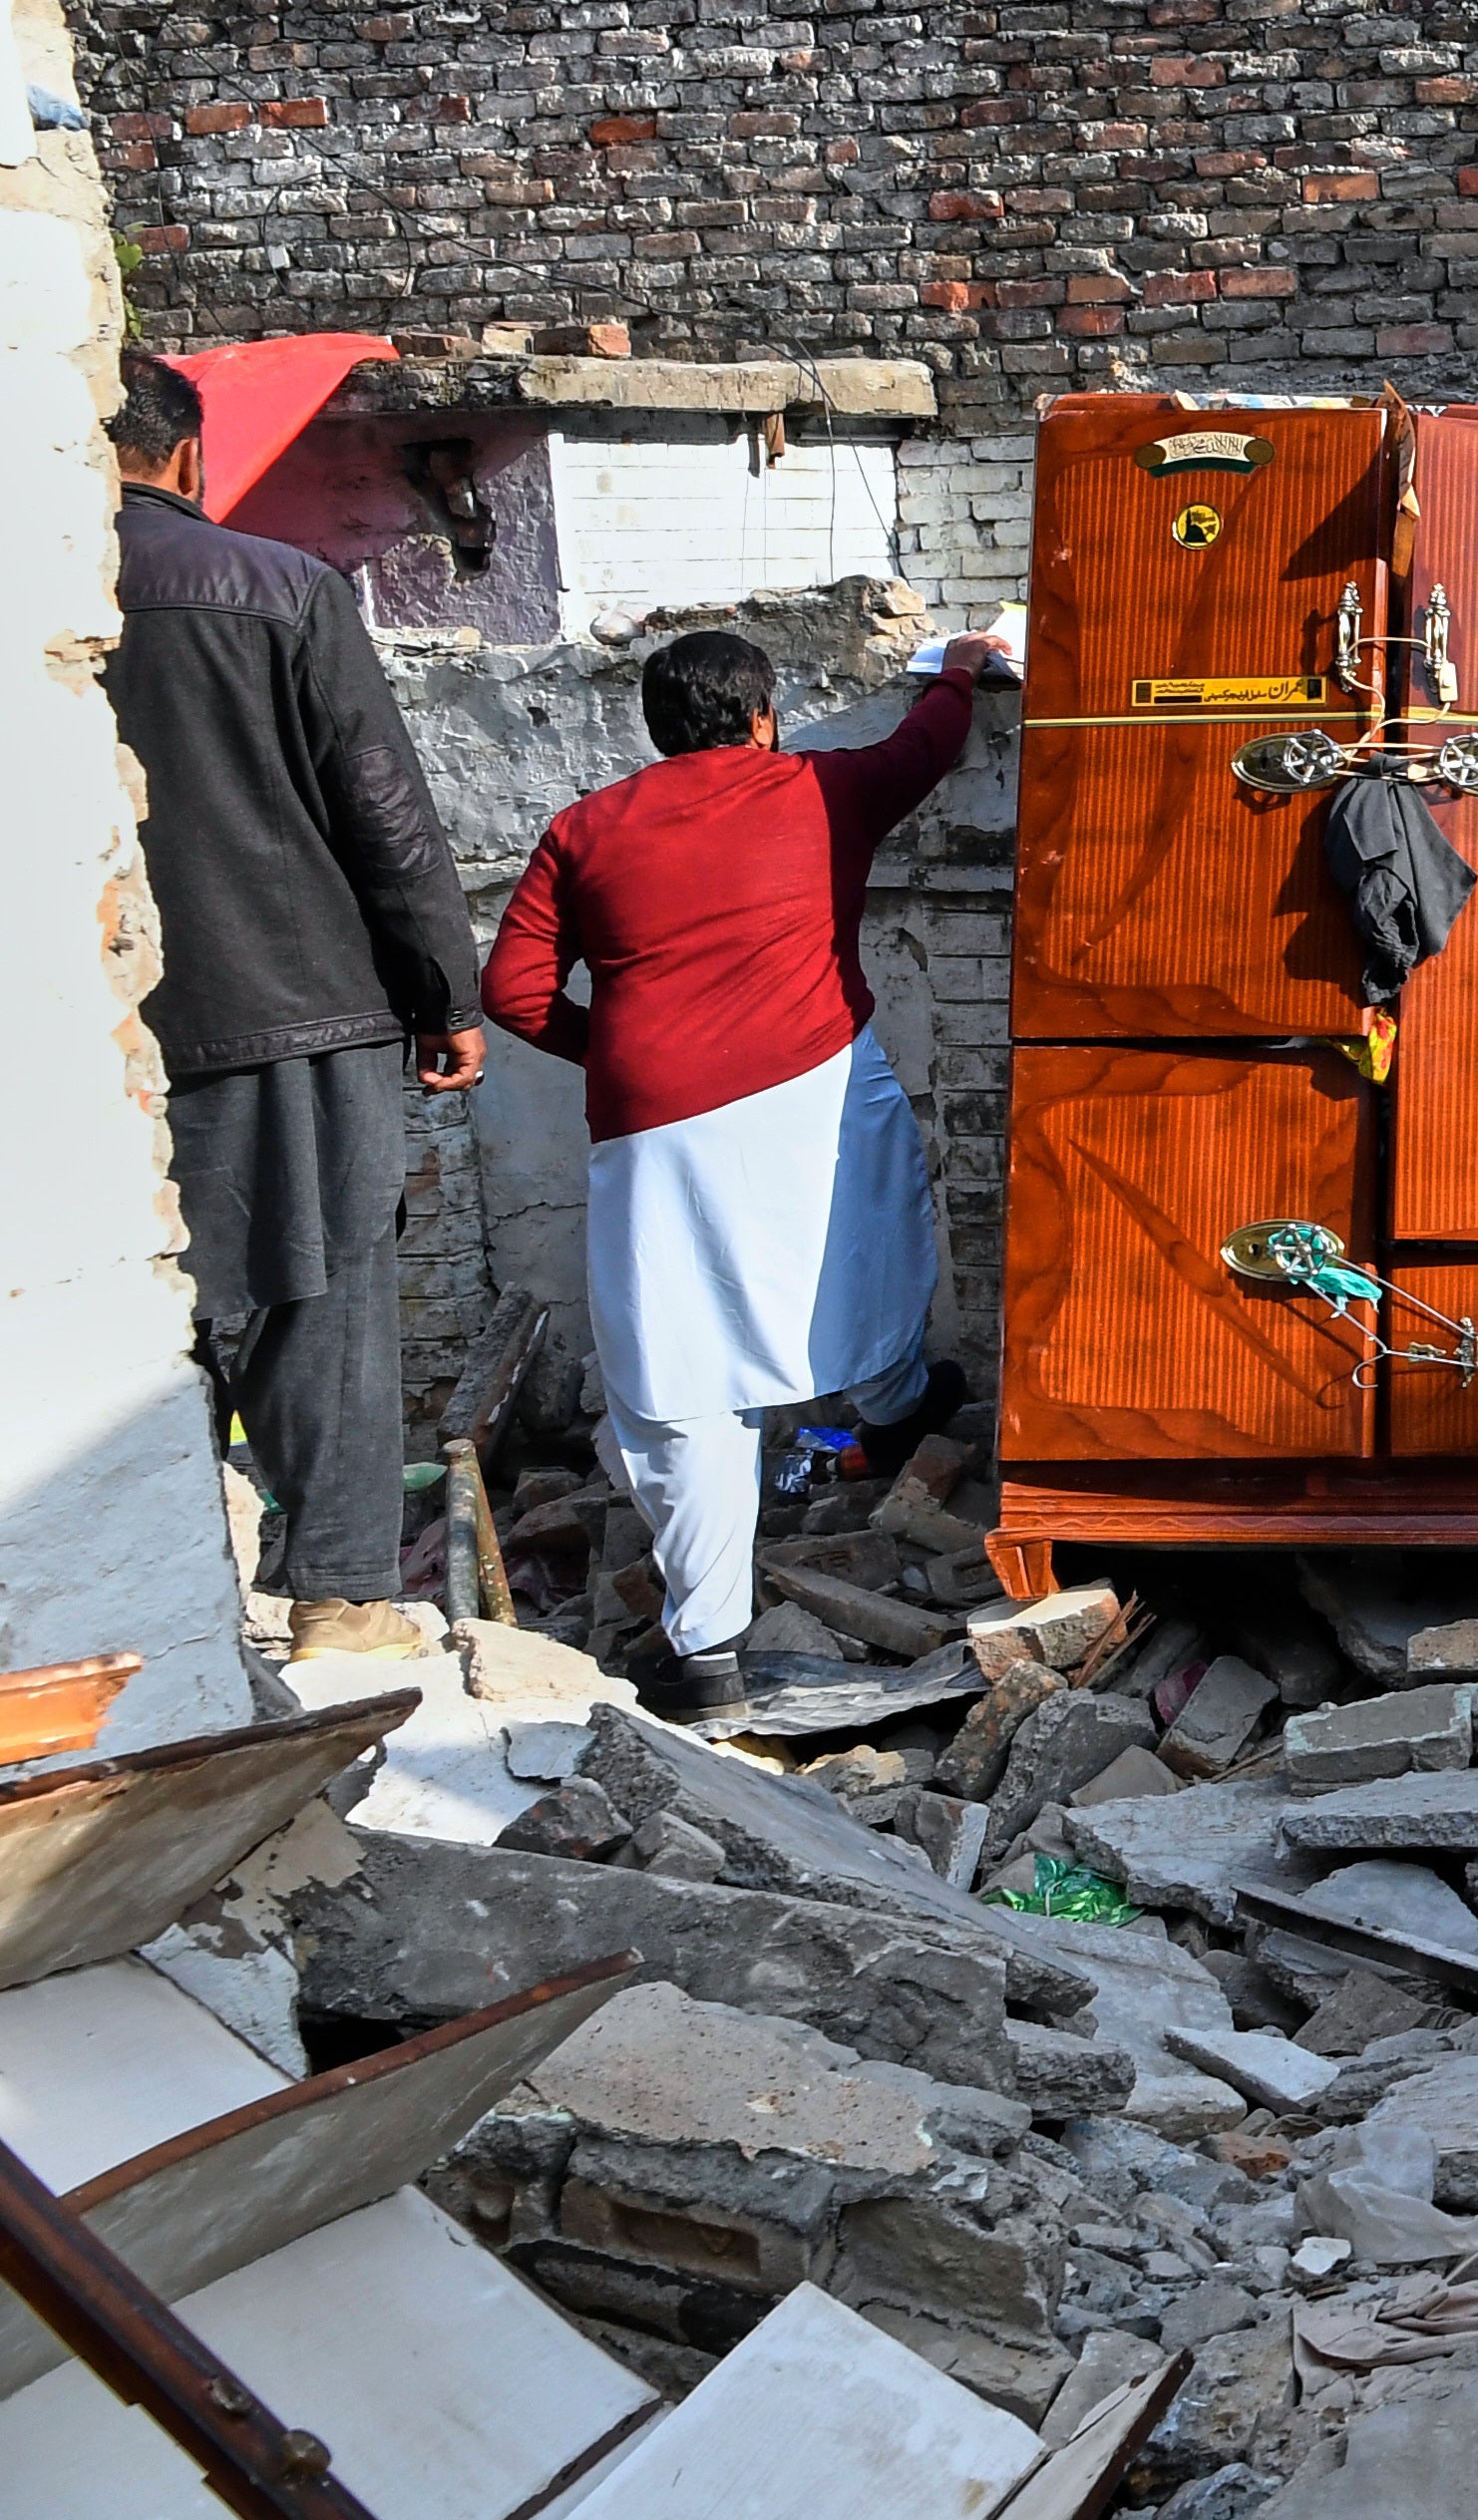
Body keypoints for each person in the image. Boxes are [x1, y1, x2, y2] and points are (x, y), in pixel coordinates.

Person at [485, 620, 1010, 1718]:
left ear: (655, 730)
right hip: (817, 1082)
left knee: (680, 1374)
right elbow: (935, 738)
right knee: (869, 1254)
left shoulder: (583, 826)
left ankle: (708, 1652)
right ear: (765, 717)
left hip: (653, 1129)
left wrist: (625, 1050)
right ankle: (896, 1404)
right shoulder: (824, 789)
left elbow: (512, 989)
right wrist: (963, 660)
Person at [100, 347, 488, 1660]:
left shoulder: (43, 599)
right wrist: (446, 991)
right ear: (190, 458)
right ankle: (338, 1594)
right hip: (297, 998)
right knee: (322, 1297)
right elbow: (382, 805)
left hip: (109, 1030)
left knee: (144, 1320)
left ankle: (155, 1604)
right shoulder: (277, 588)